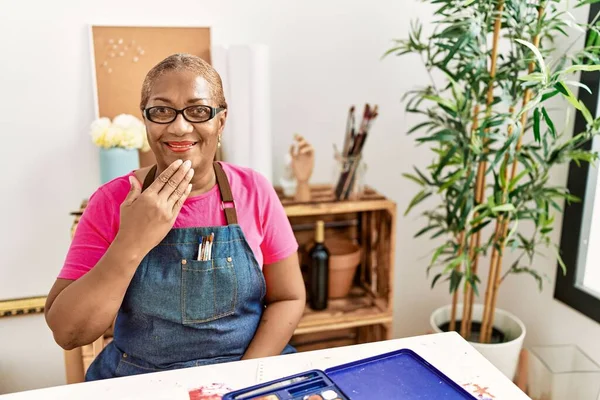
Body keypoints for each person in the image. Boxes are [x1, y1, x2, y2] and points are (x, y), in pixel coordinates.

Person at [45, 53, 306, 381]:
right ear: (146, 121)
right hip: (139, 379)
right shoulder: (111, 201)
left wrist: (242, 378)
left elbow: (289, 297)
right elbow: (69, 333)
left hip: (245, 371)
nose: (180, 127)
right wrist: (132, 241)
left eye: (198, 111)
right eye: (162, 111)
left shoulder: (254, 190)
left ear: (220, 122)